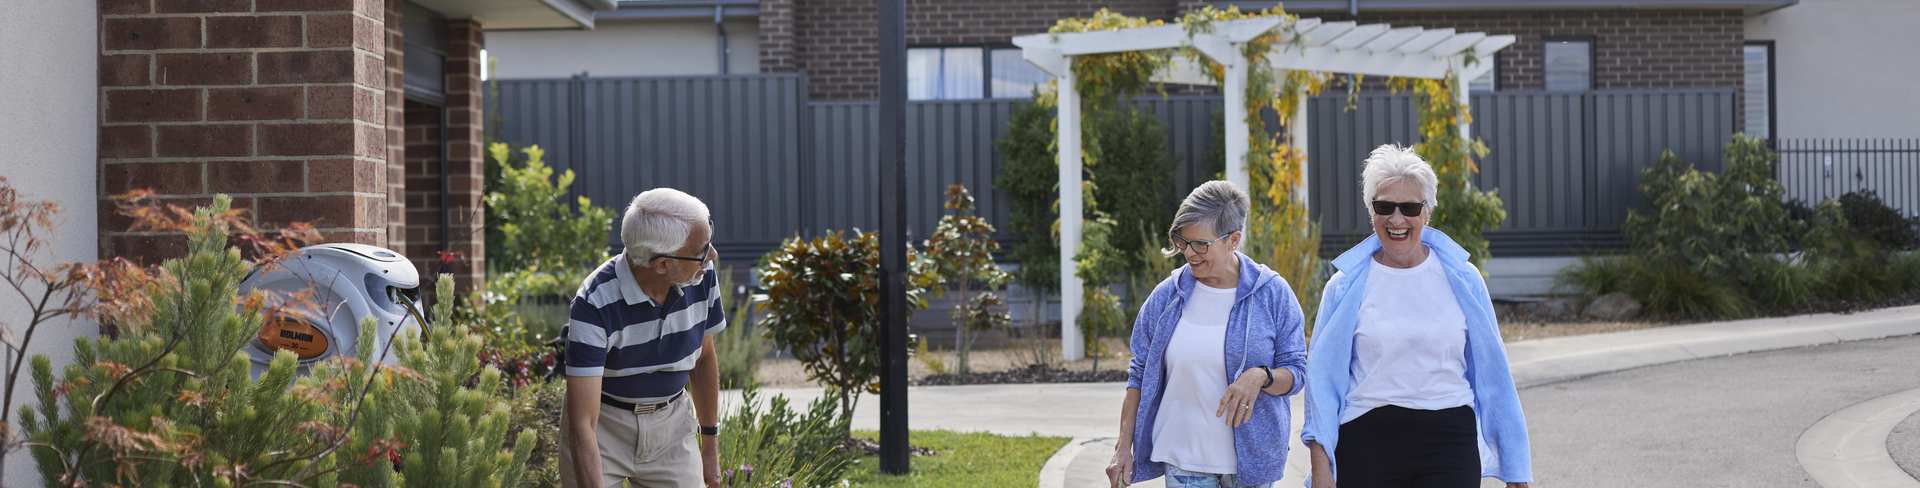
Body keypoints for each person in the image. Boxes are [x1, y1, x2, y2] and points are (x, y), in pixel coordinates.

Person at [1300, 145, 1532, 488]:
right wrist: (1321, 468)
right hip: (1365, 440)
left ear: (1427, 213)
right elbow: (1321, 385)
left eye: (1409, 207)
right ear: (1371, 211)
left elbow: (1494, 378)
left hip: (1449, 438)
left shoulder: (1464, 280)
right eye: (1384, 207)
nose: (1396, 219)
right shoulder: (1344, 287)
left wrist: (1516, 469)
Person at [1106, 181, 1310, 488]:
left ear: (1233, 240)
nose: (1189, 253)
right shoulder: (1167, 296)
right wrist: (1123, 448)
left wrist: (1261, 376)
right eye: (1182, 241)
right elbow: (1139, 375)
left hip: (1251, 466)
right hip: (1184, 459)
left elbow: (1297, 372)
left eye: (1201, 244)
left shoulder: (1272, 294)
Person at [561, 188, 725, 488]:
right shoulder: (594, 303)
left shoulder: (701, 274)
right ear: (662, 264)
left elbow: (703, 361)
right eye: (703, 249)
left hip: (672, 425)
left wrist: (710, 451)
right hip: (603, 428)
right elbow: (582, 424)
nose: (711, 255)